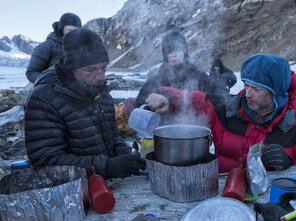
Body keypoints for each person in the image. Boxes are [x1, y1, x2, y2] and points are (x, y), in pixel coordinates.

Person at [144, 53, 296, 173]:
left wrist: (289, 157)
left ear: (276, 92)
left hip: (268, 201)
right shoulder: (230, 109)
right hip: (217, 193)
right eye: (246, 86)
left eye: (256, 89)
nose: (247, 94)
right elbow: (197, 102)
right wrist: (168, 98)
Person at [24, 28, 146, 179]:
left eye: (103, 68)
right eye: (90, 70)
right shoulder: (45, 98)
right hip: (70, 193)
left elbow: (113, 139)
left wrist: (129, 157)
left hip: (102, 184)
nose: (101, 77)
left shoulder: (101, 94)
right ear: (71, 68)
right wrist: (107, 167)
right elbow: (46, 161)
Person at [134, 30, 209, 108]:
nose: (174, 55)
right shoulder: (154, 81)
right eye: (169, 51)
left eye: (177, 50)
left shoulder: (201, 78)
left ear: (185, 53)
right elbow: (139, 105)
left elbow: (213, 105)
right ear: (165, 56)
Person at [26, 13, 82, 84]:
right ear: (61, 30)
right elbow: (31, 72)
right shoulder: (47, 46)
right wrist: (49, 82)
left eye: (76, 30)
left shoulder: (82, 47)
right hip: (52, 90)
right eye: (70, 30)